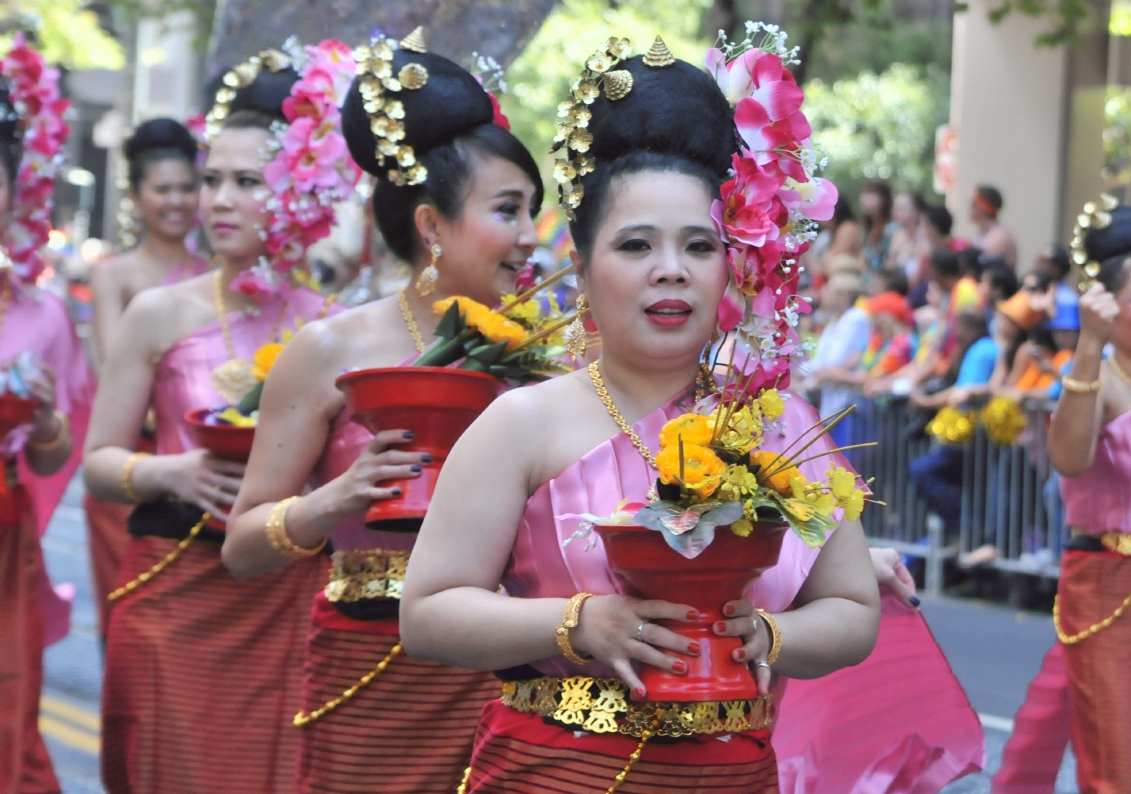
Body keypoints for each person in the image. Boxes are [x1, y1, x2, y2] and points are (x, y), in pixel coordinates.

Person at [399, 35, 885, 793]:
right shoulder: (521, 424)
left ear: (732, 263)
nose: (671, 269)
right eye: (635, 245)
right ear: (583, 264)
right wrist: (574, 624)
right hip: (552, 772)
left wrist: (767, 635)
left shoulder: (779, 422)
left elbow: (853, 609)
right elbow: (425, 613)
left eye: (699, 245)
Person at [221, 33, 543, 794]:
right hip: (366, 673)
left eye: (533, 210)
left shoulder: (552, 354)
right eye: (508, 210)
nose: (532, 236)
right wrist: (337, 498)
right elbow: (241, 544)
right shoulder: (329, 347)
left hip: (510, 669)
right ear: (431, 226)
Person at [83, 48, 347, 793]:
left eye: (245, 182)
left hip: (288, 595)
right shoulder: (158, 311)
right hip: (174, 586)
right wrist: (176, 471)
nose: (219, 200)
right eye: (211, 181)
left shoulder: (336, 325)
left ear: (296, 189)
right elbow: (99, 462)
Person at [0, 37, 94, 794]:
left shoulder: (45, 316)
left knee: (7, 707)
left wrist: (41, 418)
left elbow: (48, 452)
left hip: (7, 542)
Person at [86, 117, 209, 641]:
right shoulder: (115, 275)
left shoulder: (214, 275)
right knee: (127, 619)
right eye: (163, 189)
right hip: (132, 466)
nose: (177, 201)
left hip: (201, 464)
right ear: (137, 196)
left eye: (188, 187)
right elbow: (114, 365)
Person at [1047, 209, 1131, 792]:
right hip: (1107, 586)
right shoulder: (1102, 378)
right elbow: (1068, 459)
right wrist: (1089, 344)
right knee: (1115, 761)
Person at [807, 271, 871, 445]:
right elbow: (819, 363)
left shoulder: (856, 319)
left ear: (843, 297)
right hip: (830, 404)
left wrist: (825, 371)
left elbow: (835, 360)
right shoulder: (833, 322)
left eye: (829, 291)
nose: (823, 295)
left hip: (849, 404)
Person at [970, 185, 1018, 270]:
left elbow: (979, 264)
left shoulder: (1000, 236)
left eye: (973, 204)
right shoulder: (981, 233)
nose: (970, 208)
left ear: (983, 207)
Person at [860, 179, 894, 271]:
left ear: (884, 199)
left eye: (871, 195)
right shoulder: (866, 229)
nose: (865, 199)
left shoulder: (891, 229)